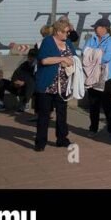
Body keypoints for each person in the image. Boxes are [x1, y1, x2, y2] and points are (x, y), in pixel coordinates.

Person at [33, 19, 76, 151]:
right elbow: (44, 60)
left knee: (62, 113)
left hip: (63, 84)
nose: (68, 34)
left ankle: (62, 138)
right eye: (66, 32)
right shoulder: (48, 41)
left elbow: (74, 57)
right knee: (44, 114)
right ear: (58, 32)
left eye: (68, 32)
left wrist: (70, 62)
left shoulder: (67, 42)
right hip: (47, 84)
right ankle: (40, 142)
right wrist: (62, 59)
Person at [84, 18, 111, 137]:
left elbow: (107, 57)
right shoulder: (91, 39)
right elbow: (85, 54)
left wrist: (93, 54)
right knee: (93, 103)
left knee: (107, 103)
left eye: (97, 27)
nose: (94, 29)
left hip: (106, 77)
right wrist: (99, 53)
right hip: (92, 76)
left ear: (104, 28)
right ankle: (93, 128)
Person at [0, 48, 37, 113]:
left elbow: (36, 79)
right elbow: (15, 74)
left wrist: (24, 83)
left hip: (30, 90)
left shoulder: (38, 67)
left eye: (32, 57)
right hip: (18, 87)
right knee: (2, 81)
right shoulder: (24, 65)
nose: (30, 58)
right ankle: (0, 104)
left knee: (31, 82)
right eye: (29, 56)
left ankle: (25, 103)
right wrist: (15, 82)